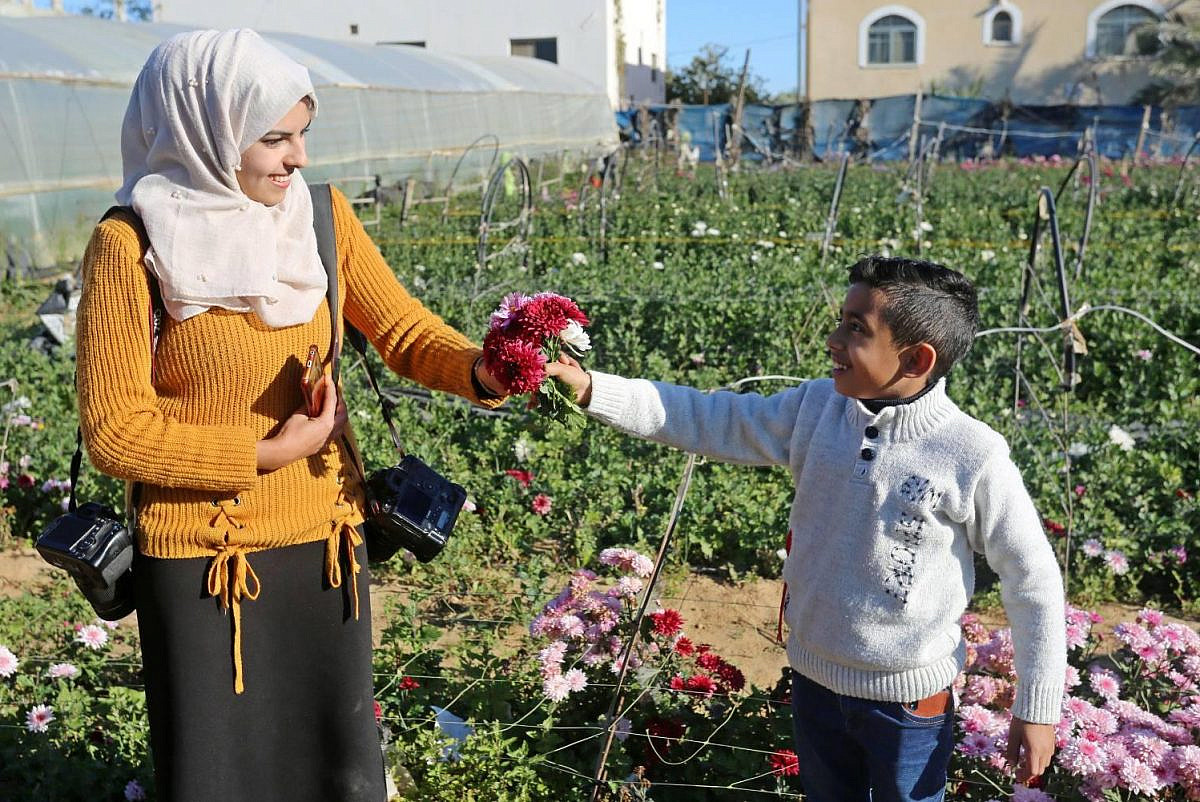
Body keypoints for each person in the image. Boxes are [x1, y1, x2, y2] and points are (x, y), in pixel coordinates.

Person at [74, 29, 506, 802]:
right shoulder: (129, 244)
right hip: (205, 560)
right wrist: (267, 452)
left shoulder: (319, 217)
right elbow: (114, 429)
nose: (298, 157)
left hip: (325, 546)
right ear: (203, 134)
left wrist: (483, 368)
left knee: (331, 765)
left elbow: (403, 331)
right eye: (274, 138)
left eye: (303, 134)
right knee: (219, 772)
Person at [546, 256, 1066, 802]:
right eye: (841, 320)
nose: (833, 339)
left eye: (855, 329)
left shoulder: (970, 454)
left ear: (916, 359)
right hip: (814, 681)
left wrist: (1037, 710)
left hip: (908, 706)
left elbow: (1033, 580)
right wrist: (589, 389)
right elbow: (708, 416)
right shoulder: (818, 408)